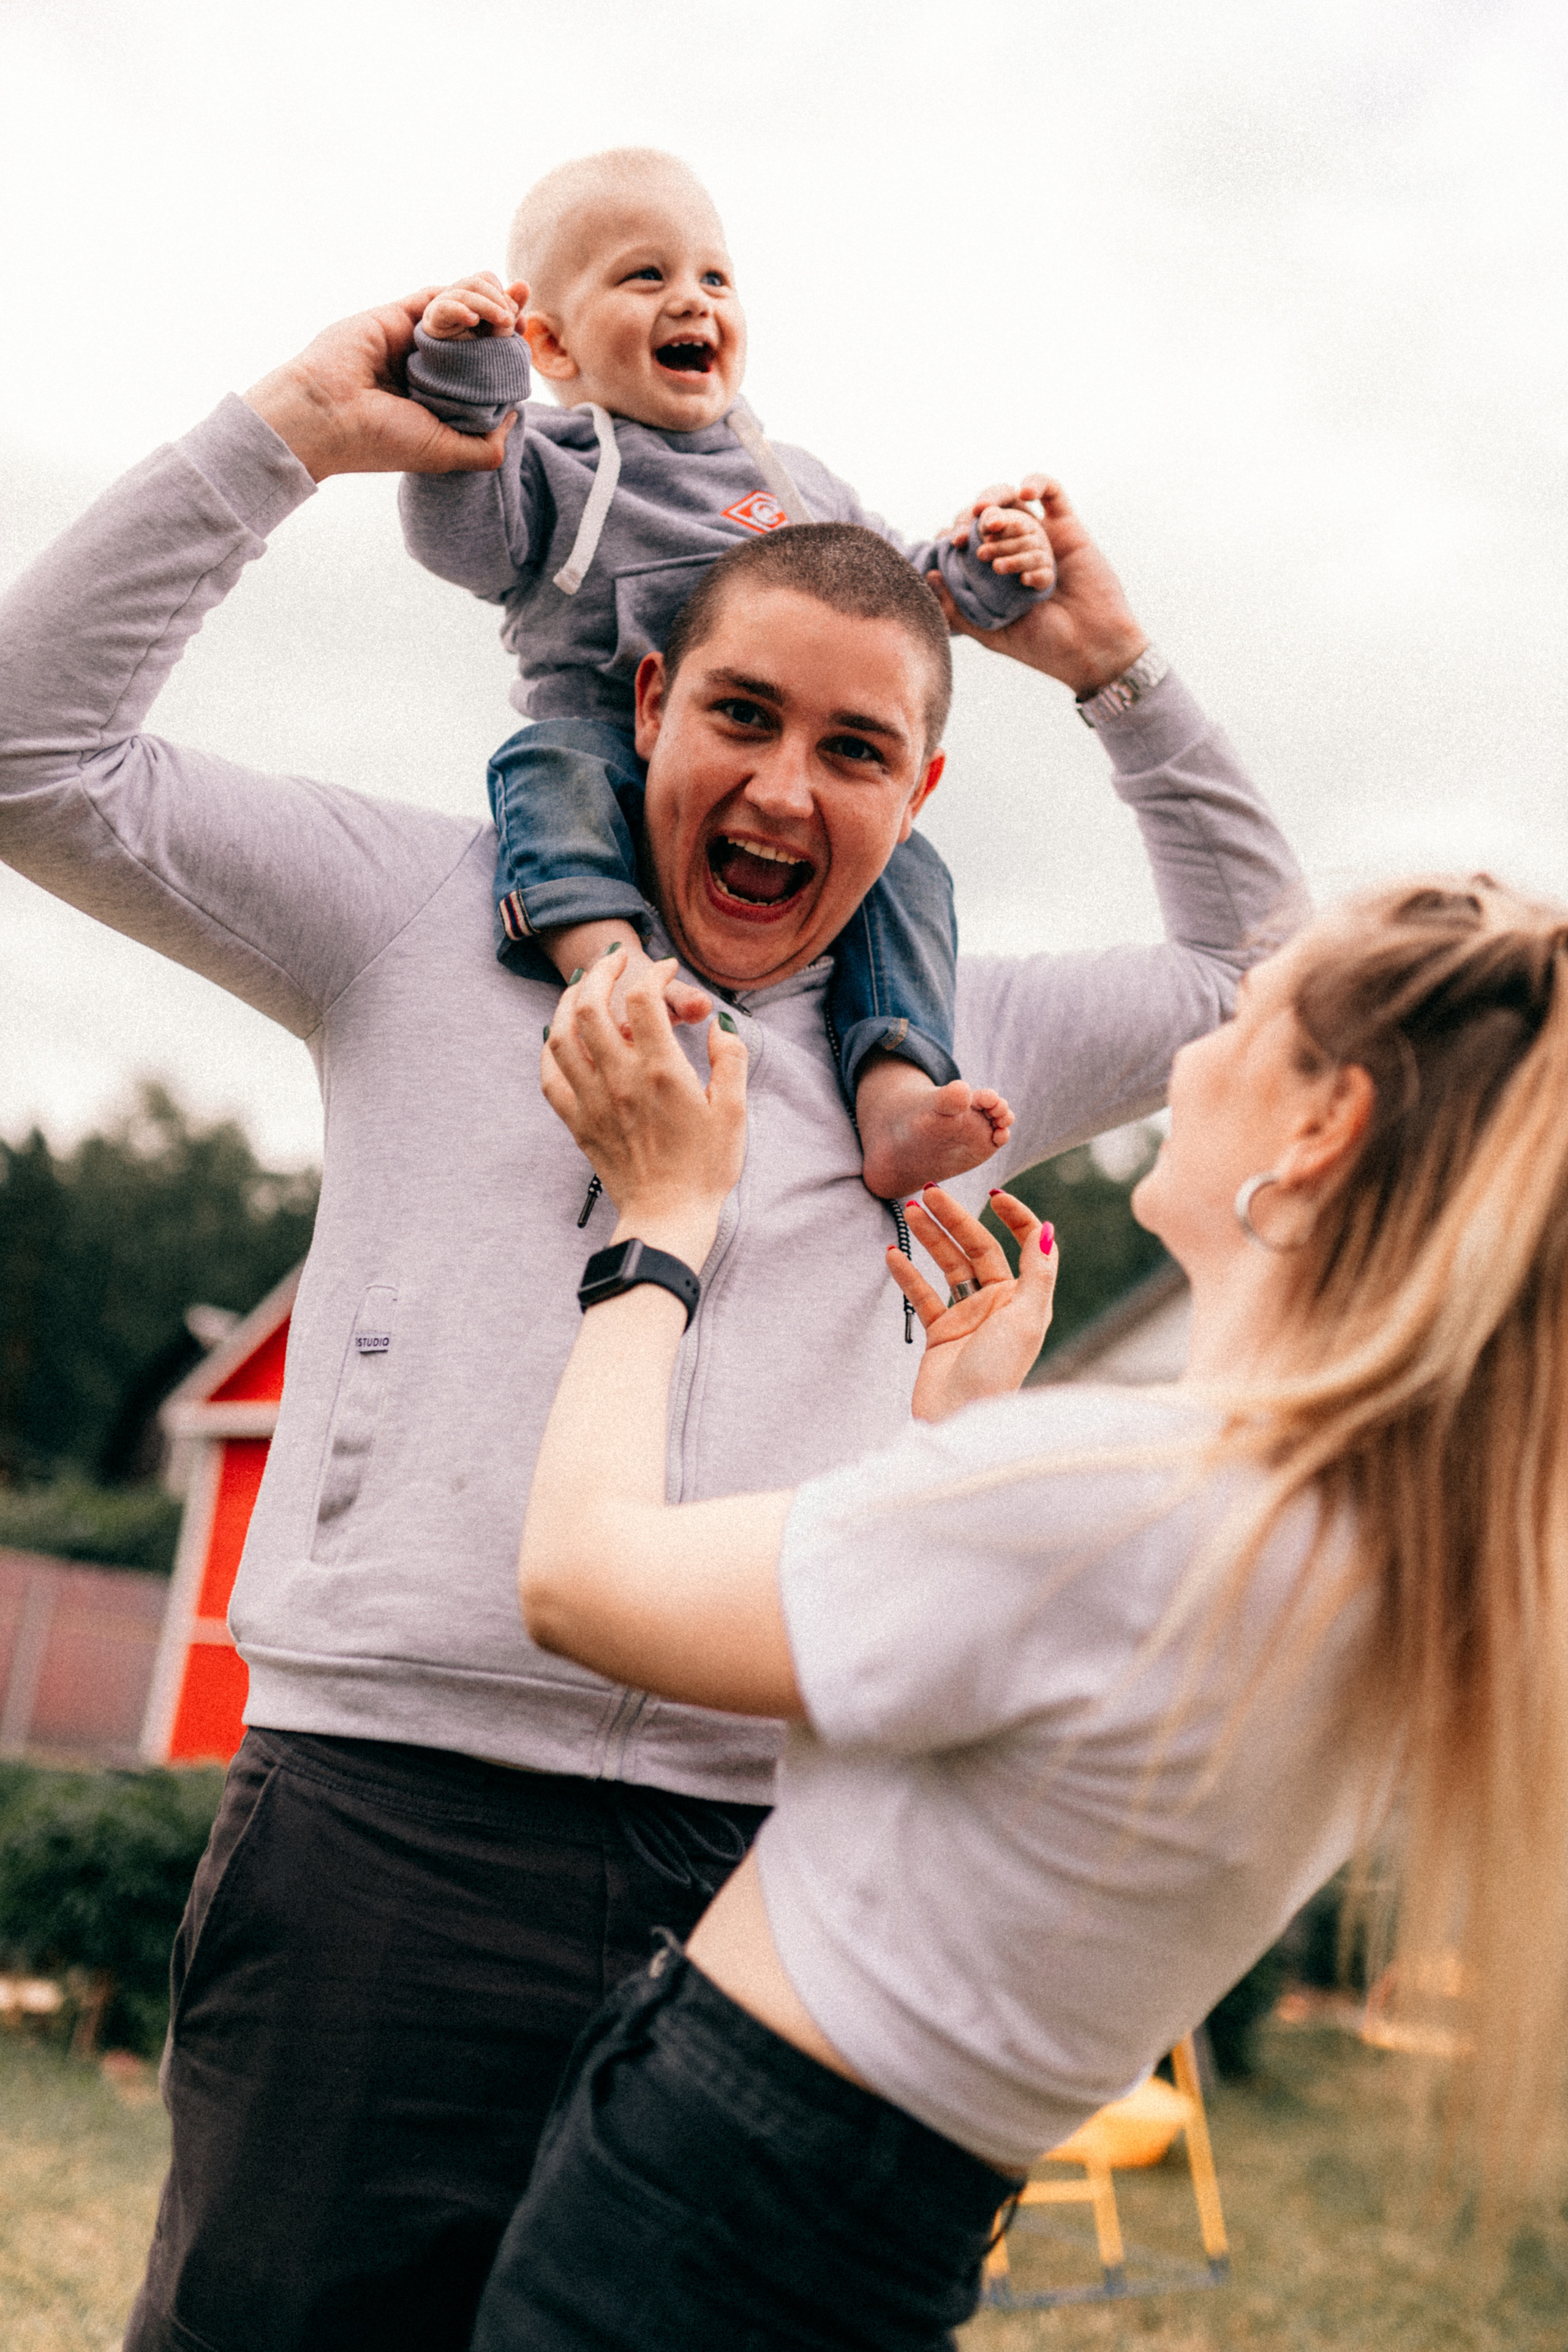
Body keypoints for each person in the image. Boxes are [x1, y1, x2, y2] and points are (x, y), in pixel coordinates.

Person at [0, 287, 1302, 2352]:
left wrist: (1120, 673)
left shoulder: (966, 1052)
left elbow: (1271, 992)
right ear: (643, 700)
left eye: (858, 750)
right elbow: (31, 750)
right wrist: (279, 438)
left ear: (924, 789)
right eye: (747, 719)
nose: (788, 791)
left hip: (759, 1890)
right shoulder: (417, 915)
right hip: (381, 1830)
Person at [468, 884, 1568, 2350]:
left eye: (1244, 1018)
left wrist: (660, 1223)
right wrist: (950, 1448)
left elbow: (578, 1579)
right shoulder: (1387, 1558)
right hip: (883, 2232)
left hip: (705, 2203)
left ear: (1319, 1128)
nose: (1192, 1053)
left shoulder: (1124, 1497)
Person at [399, 146, 1055, 1199]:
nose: (690, 301)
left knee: (909, 867)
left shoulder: (791, 478)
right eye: (645, 276)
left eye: (713, 277)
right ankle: (608, 969)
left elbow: (902, 595)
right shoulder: (554, 459)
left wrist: (983, 567)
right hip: (607, 740)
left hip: (749, 758)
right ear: (551, 340)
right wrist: (468, 382)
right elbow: (458, 536)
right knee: (544, 767)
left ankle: (893, 1088)